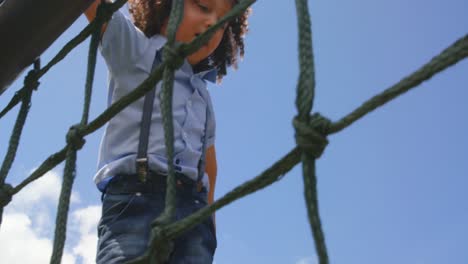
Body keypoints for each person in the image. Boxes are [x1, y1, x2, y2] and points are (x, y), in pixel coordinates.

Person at [84, 0, 250, 263]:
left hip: (194, 213)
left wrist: (209, 224)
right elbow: (95, 8)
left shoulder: (202, 94)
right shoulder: (136, 50)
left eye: (224, 20)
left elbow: (209, 166)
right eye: (203, 6)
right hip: (136, 197)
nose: (212, 23)